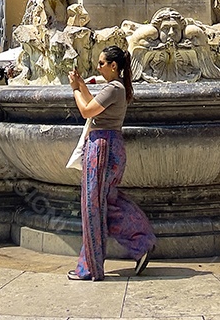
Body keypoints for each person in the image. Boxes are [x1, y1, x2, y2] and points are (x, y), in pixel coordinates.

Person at [67, 45, 156, 281]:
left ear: (113, 66)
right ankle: (141, 242)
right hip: (109, 145)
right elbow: (95, 107)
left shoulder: (113, 88)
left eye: (102, 63)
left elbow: (86, 111)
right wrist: (82, 86)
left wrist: (75, 89)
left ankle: (91, 268)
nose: (98, 67)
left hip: (102, 148)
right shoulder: (117, 88)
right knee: (105, 203)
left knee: (93, 207)